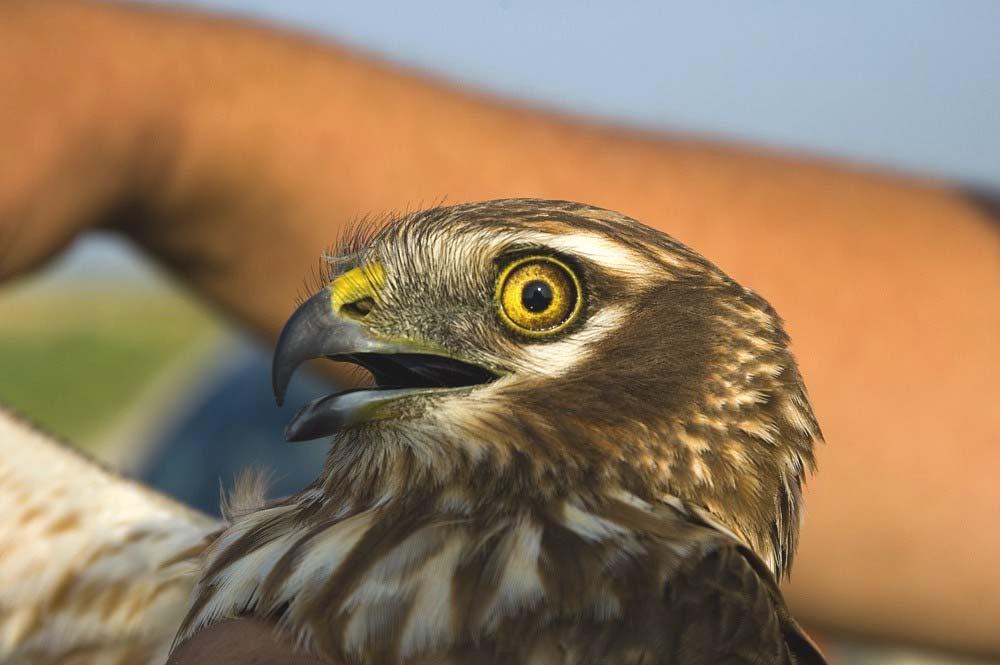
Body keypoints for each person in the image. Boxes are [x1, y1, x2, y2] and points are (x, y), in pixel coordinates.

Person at [2, 1, 999, 661]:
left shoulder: (690, 621)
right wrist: (136, 108)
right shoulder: (226, 581)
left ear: (708, 372)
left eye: (533, 298)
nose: (348, 320)